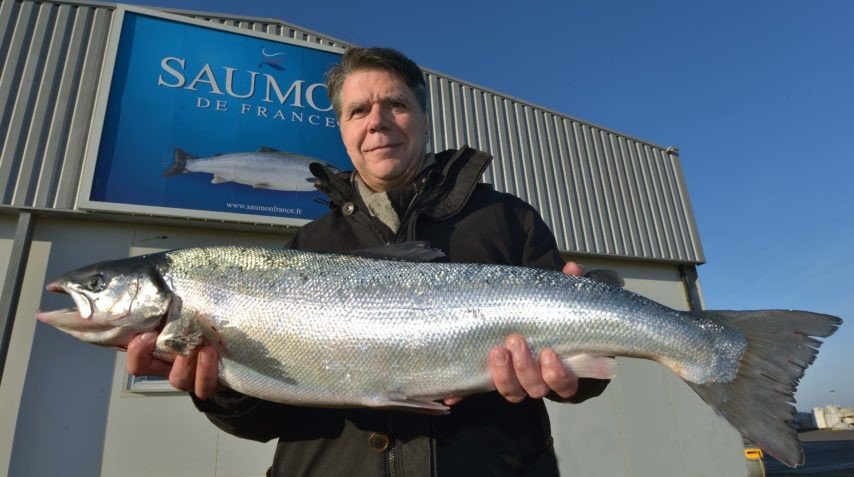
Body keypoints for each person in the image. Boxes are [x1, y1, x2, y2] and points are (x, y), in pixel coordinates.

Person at [127, 47, 608, 476]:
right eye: (358, 111)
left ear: (423, 117)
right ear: (342, 129)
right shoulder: (304, 247)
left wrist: (570, 379)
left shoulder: (508, 219)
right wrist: (221, 387)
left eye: (395, 104)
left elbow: (586, 365)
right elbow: (267, 421)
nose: (377, 122)